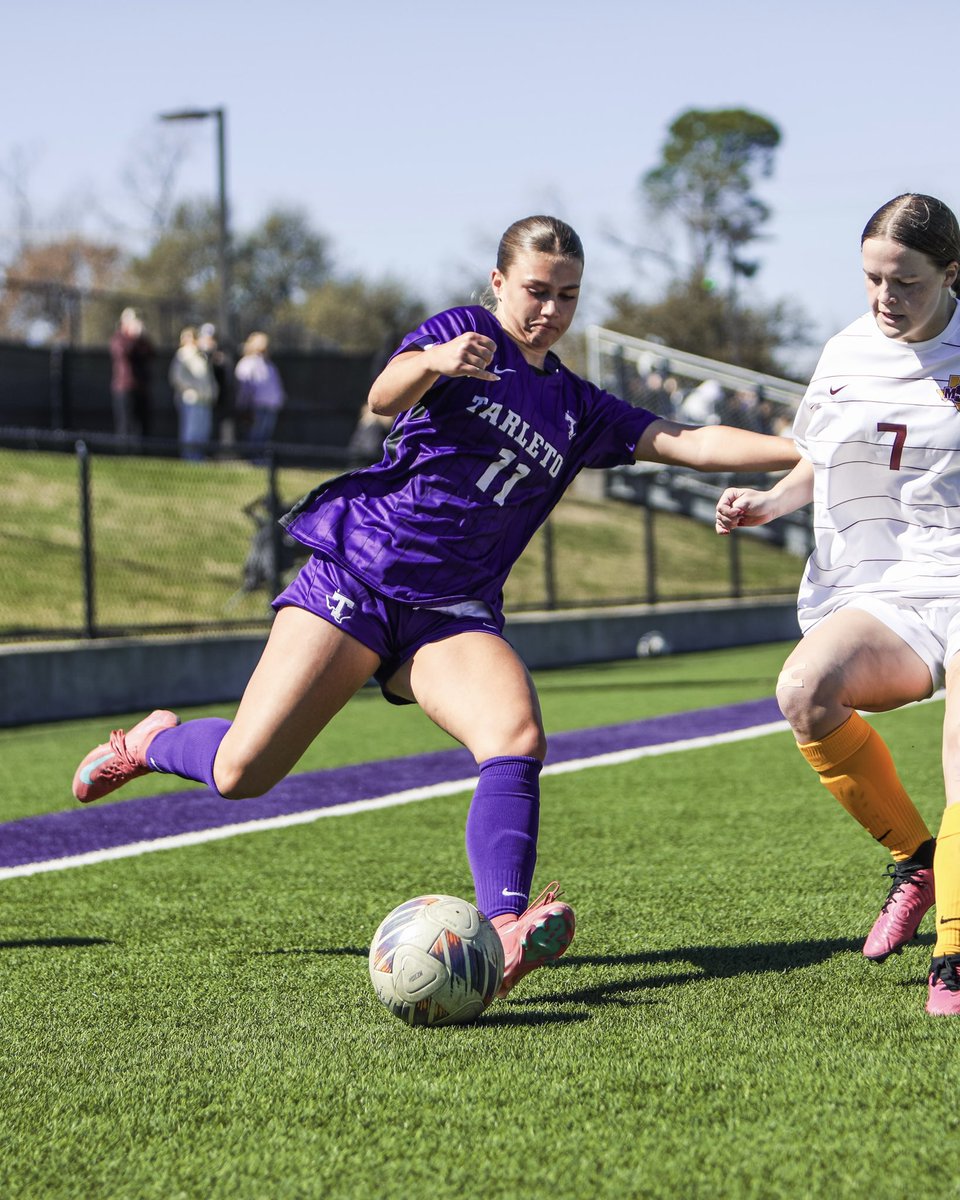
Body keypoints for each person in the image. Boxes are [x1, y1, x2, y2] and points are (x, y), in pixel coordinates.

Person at [72, 215, 798, 999]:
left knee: (515, 733)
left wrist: (813, 447)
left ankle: (507, 925)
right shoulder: (464, 333)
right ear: (497, 283)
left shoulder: (578, 407)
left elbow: (688, 441)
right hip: (361, 574)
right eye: (536, 291)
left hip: (452, 611)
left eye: (568, 296)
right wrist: (437, 361)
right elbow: (383, 397)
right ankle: (151, 744)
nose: (550, 310)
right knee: (243, 771)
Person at [715, 193, 960, 1016]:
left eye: (907, 283)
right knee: (804, 694)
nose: (886, 298)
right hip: (886, 587)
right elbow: (820, 457)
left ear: (950, 274)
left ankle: (955, 956)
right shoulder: (846, 351)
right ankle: (917, 862)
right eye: (872, 279)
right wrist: (768, 504)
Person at [169, 326, 218, 461]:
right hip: (190, 399)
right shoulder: (182, 354)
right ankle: (189, 459)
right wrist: (192, 389)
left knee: (203, 431)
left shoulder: (202, 356)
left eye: (192, 336)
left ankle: (199, 458)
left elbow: (209, 378)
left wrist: (212, 392)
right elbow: (177, 377)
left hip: (204, 399)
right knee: (191, 432)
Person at [234, 332, 285, 456]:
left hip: (271, 406)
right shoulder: (247, 363)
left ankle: (260, 459)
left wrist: (279, 399)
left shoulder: (269, 365)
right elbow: (244, 386)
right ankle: (252, 459)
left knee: (265, 434)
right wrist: (243, 404)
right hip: (255, 406)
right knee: (255, 433)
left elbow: (276, 385)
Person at [109, 307, 155, 438]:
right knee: (126, 424)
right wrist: (134, 338)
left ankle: (142, 455)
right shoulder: (118, 338)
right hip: (125, 388)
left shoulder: (142, 341)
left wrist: (143, 338)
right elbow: (124, 353)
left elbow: (151, 354)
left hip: (141, 387)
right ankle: (125, 455)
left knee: (143, 424)